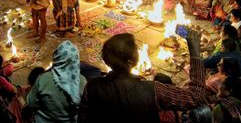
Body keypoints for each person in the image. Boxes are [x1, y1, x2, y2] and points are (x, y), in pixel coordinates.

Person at [78, 31, 207, 122]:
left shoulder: (92, 86)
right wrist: (195, 52)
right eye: (136, 48)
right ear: (131, 62)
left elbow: (84, 117)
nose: (139, 49)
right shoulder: (153, 90)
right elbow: (196, 97)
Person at [27, 40, 87, 122]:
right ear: (76, 60)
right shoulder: (82, 81)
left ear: (57, 57)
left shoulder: (43, 78)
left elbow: (31, 103)